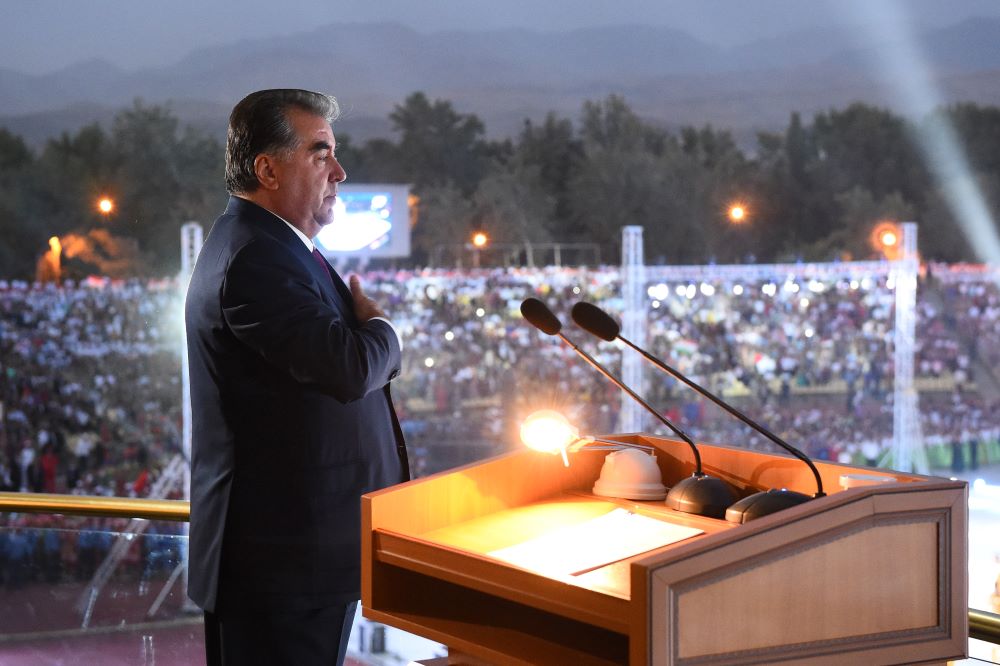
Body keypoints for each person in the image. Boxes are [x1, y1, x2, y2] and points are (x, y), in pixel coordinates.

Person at [185, 89, 408, 666]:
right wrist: (384, 329)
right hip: (281, 568)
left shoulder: (277, 246)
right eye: (320, 153)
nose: (339, 171)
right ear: (267, 169)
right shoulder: (257, 256)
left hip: (297, 562)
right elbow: (349, 367)